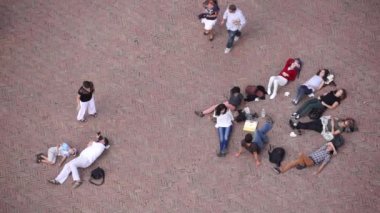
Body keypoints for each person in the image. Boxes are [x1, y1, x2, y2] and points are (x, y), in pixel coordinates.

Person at [273, 142, 337, 175]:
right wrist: (330, 145)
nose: (329, 146)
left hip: (311, 162)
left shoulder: (328, 156)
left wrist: (317, 172)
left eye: (330, 147)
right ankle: (281, 171)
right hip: (307, 158)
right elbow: (328, 143)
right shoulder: (323, 148)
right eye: (329, 146)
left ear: (332, 150)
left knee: (301, 154)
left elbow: (323, 164)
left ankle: (303, 165)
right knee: (292, 162)